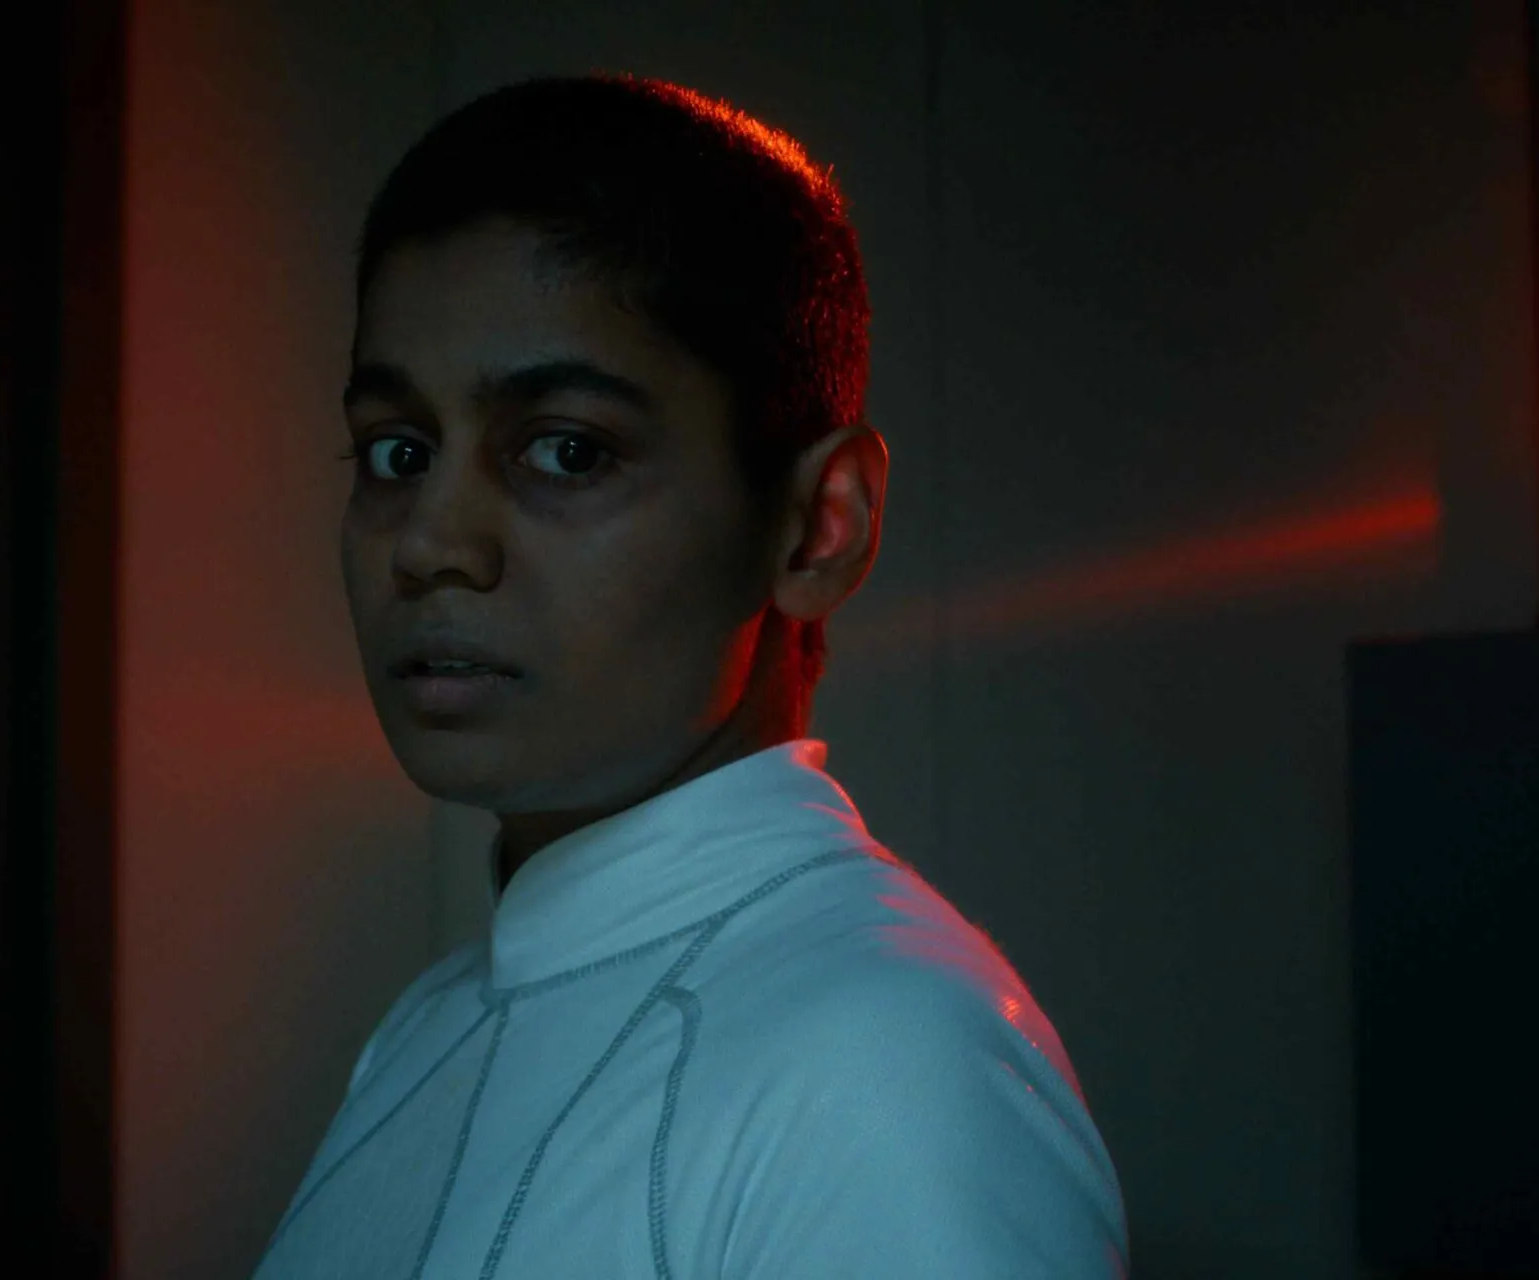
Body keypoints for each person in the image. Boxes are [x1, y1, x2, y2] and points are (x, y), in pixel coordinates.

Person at [254, 74, 1128, 1279]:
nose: (430, 541)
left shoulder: (889, 1062)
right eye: (398, 451)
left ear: (820, 524)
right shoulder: (425, 1026)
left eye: (568, 450)